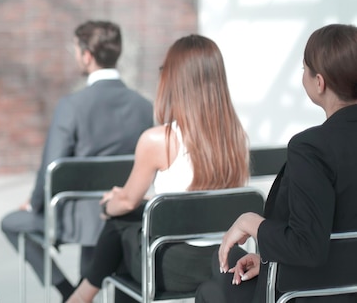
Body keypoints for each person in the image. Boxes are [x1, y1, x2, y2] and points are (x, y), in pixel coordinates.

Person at [67, 34, 250, 303]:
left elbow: (126, 201)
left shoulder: (159, 139)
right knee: (133, 220)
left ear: (175, 79)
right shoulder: (236, 138)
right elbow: (201, 200)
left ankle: (83, 294)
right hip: (223, 261)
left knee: (119, 224)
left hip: (170, 267)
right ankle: (83, 294)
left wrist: (108, 205)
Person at [195, 24, 357, 303]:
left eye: (304, 68)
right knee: (225, 269)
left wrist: (250, 221)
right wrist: (269, 259)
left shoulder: (312, 148)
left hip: (311, 293)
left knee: (214, 281)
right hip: (343, 283)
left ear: (319, 83)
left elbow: (307, 247)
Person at [0, 20, 155, 300]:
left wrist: (35, 204)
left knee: (11, 222)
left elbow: (52, 169)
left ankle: (66, 290)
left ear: (87, 55)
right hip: (125, 214)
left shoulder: (71, 106)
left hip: (77, 220)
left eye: (75, 50)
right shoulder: (144, 106)